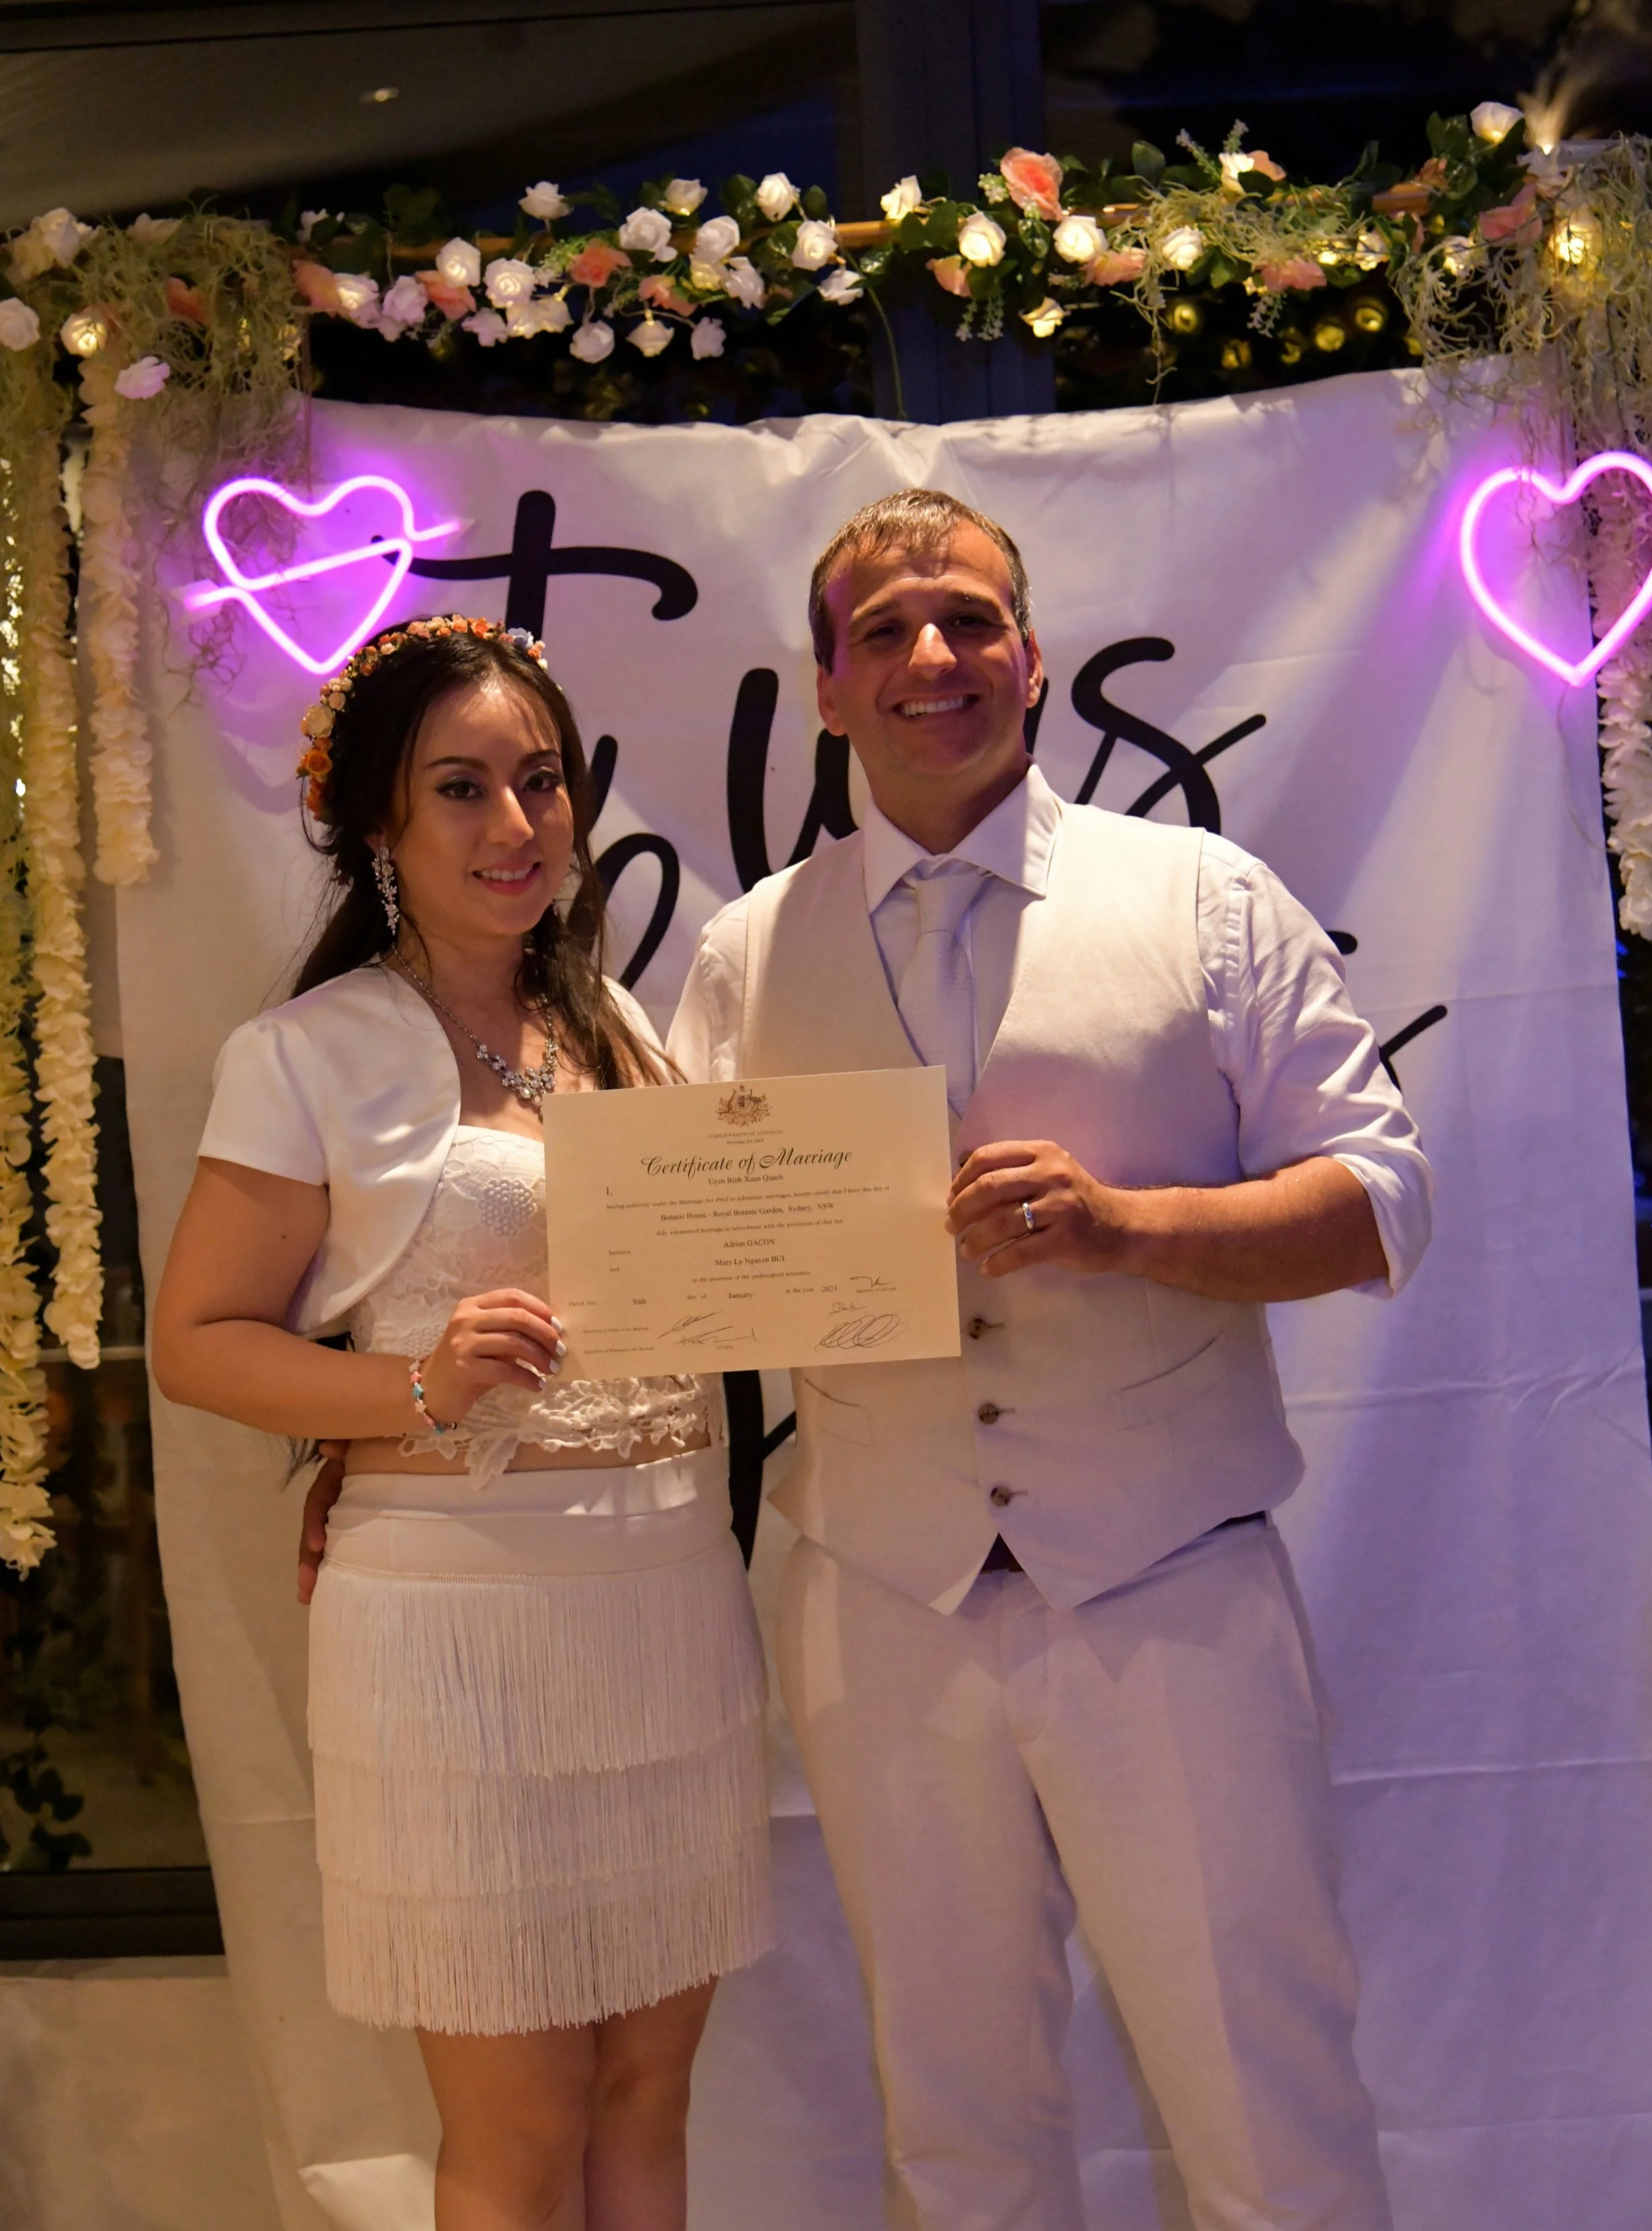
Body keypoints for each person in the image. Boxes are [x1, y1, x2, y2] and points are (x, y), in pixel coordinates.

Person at [663, 491, 1434, 2231]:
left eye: (966, 619)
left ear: (1033, 657)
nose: (931, 656)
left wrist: (1128, 1228)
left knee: (1265, 2089)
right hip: (878, 1591)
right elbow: (691, 1281)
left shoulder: (1203, 897)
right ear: (828, 688)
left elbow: (1384, 1200)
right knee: (949, 2114)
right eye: (886, 631)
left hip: (1170, 1582)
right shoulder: (739, 952)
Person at [154, 615, 770, 2231]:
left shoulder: (626, 1033)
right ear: (380, 826)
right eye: (461, 789)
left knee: (650, 2090)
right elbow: (197, 1343)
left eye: (540, 781)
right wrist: (408, 1392)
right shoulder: (309, 1051)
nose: (516, 827)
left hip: (665, 1598)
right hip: (453, 1625)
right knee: (516, 2128)